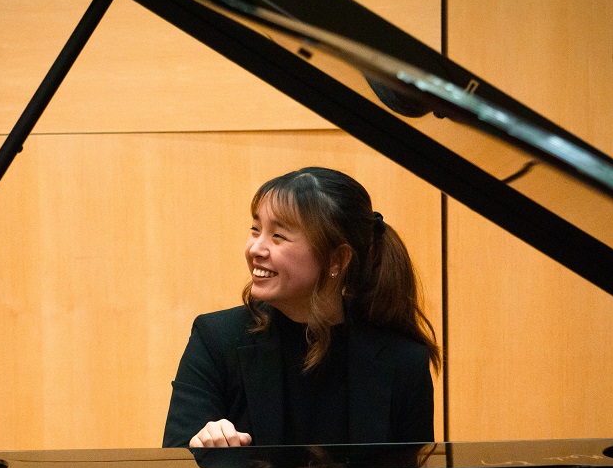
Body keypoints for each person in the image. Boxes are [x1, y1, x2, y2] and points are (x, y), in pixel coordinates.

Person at [162, 167, 440, 449]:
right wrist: (203, 444)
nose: (256, 249)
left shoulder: (402, 359)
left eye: (278, 236)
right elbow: (174, 464)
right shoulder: (216, 338)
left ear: (336, 258)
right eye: (256, 229)